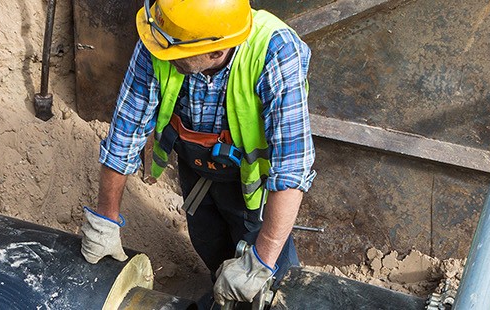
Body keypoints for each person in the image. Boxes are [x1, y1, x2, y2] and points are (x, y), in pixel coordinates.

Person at [78, 0, 314, 306]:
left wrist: (260, 263)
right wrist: (105, 219)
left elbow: (291, 168)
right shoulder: (164, 37)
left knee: (274, 287)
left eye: (175, 54)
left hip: (255, 190)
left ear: (216, 52)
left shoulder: (276, 52)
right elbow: (126, 130)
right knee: (212, 250)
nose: (160, 53)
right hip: (198, 177)